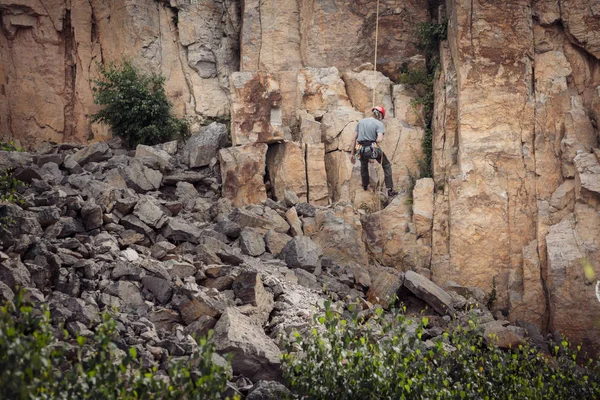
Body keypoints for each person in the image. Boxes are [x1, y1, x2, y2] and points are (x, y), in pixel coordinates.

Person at [350, 105, 397, 196]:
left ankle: (365, 185)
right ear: (379, 115)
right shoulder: (378, 124)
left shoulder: (360, 122)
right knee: (386, 165)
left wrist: (352, 154)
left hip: (360, 150)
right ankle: (390, 190)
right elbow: (379, 139)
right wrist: (377, 140)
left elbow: (354, 138)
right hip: (372, 148)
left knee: (364, 165)